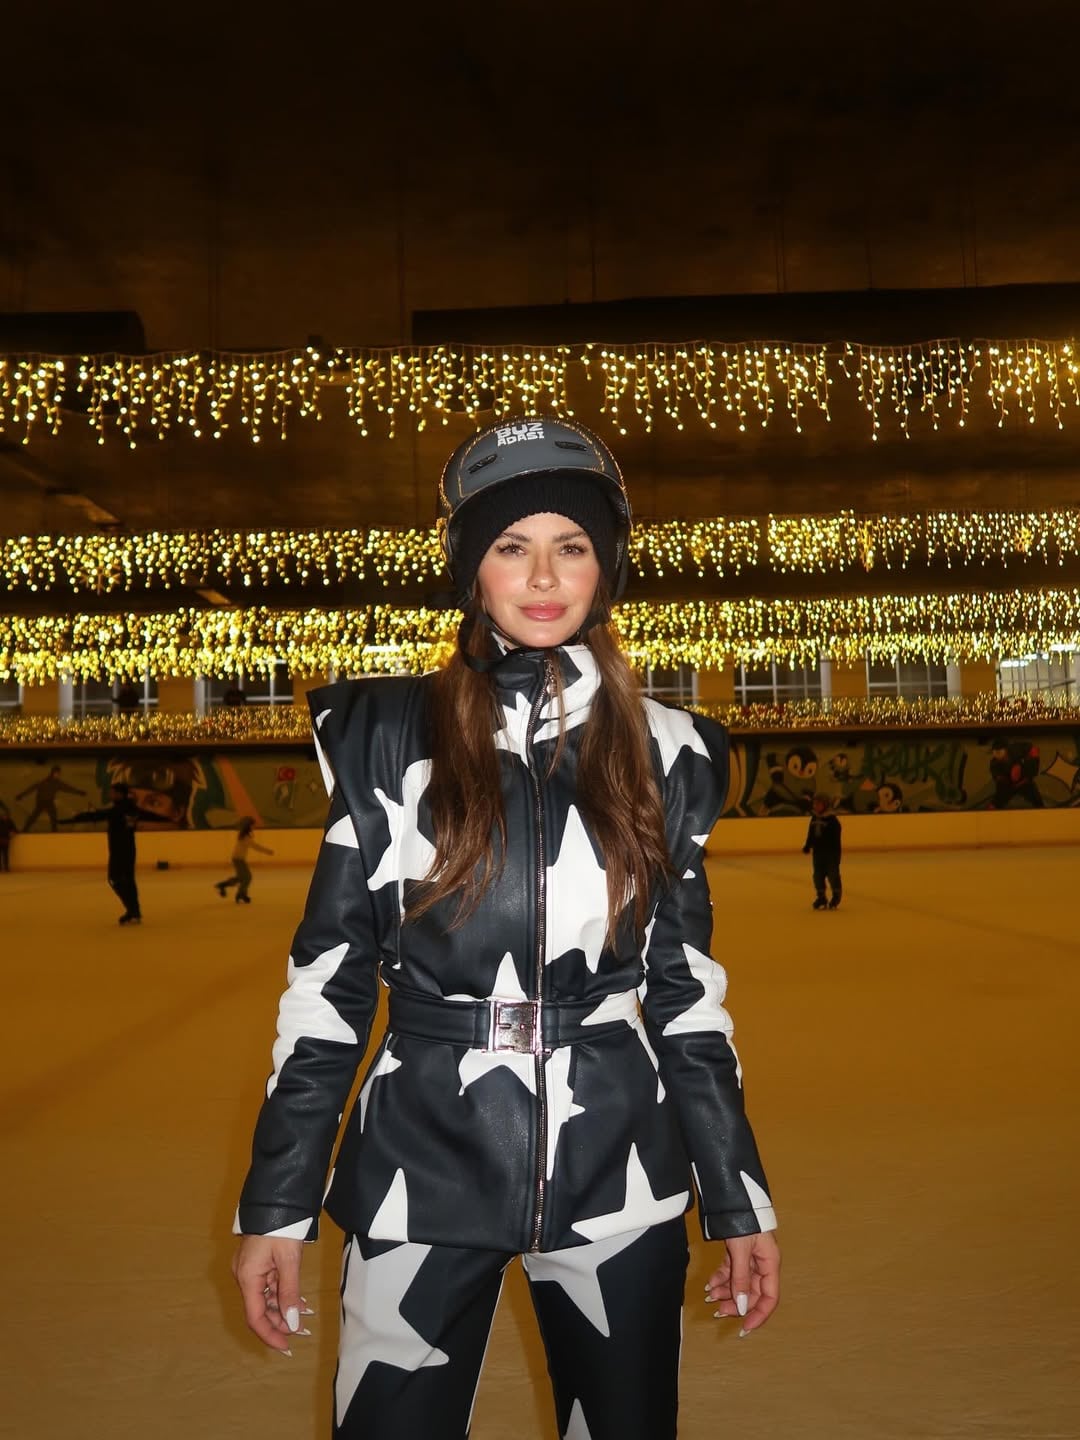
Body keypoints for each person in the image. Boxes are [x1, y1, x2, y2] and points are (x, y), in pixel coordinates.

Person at [232, 416, 780, 1440]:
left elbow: (687, 995)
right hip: (417, 1169)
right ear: (469, 570)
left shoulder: (674, 753)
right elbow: (330, 988)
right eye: (509, 546)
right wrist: (278, 1205)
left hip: (621, 1173)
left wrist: (738, 1198)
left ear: (606, 565)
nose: (542, 575)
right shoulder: (380, 736)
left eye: (571, 545)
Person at [59, 782, 162, 923]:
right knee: (129, 880)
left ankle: (132, 910)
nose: (110, 795)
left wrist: (74, 818)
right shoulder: (132, 809)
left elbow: (99, 815)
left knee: (114, 879)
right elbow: (150, 816)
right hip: (130, 849)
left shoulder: (118, 810)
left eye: (113, 792)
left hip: (119, 850)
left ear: (120, 794)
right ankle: (135, 911)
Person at [215, 817, 274, 903]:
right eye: (253, 825)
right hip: (238, 859)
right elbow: (255, 846)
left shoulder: (245, 835)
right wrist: (267, 851)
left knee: (242, 878)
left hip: (238, 858)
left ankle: (223, 885)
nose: (254, 827)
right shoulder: (245, 836)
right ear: (249, 825)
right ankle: (241, 894)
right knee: (247, 877)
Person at [802, 792, 842, 909]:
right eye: (815, 804)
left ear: (825, 805)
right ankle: (821, 897)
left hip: (831, 854)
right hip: (818, 853)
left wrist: (832, 850)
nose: (815, 806)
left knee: (832, 875)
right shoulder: (814, 818)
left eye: (818, 804)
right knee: (817, 876)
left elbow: (835, 838)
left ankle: (836, 895)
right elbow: (811, 833)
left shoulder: (832, 820)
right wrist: (808, 845)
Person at [16, 765, 86, 832]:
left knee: (53, 816)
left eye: (59, 773)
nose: (58, 775)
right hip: (41, 802)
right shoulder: (43, 782)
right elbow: (31, 788)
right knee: (34, 816)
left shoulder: (58, 783)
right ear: (53, 773)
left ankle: (54, 832)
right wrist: (21, 795)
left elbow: (68, 788)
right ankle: (25, 829)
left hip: (49, 802)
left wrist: (79, 792)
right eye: (57, 773)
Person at [0, 802, 15, 871]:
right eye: (3, 815)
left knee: (5, 854)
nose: (4, 816)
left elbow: (15, 829)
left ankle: (6, 867)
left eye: (6, 815)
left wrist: (12, 832)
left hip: (6, 840)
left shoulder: (10, 821)